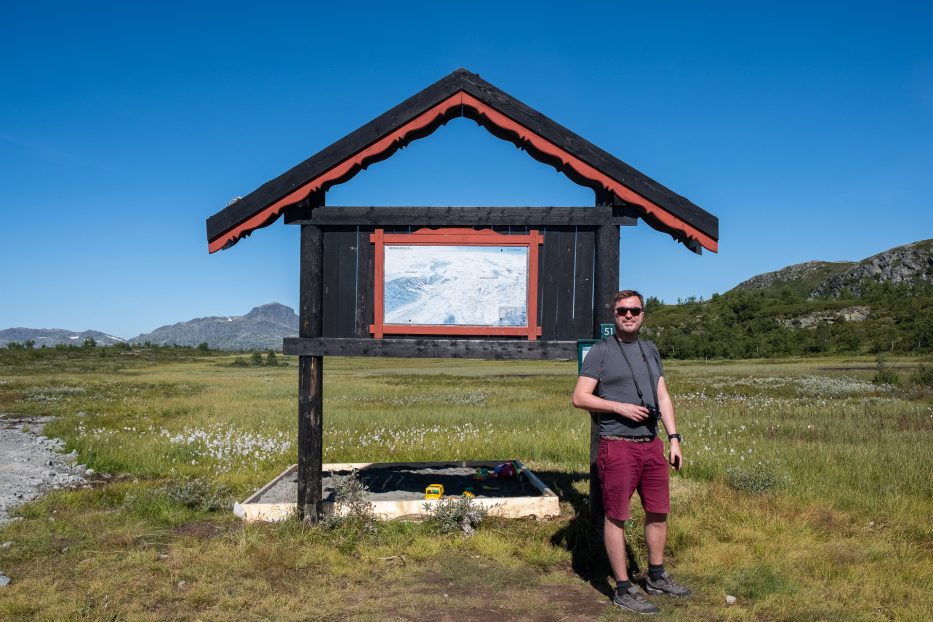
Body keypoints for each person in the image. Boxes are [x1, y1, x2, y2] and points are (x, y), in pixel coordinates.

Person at [572, 290, 690, 614]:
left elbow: (663, 397)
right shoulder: (601, 351)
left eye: (634, 310)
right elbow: (580, 397)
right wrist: (618, 407)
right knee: (617, 515)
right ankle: (623, 589)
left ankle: (656, 576)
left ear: (643, 314)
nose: (628, 314)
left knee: (658, 510)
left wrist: (674, 439)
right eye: (622, 310)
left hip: (651, 445)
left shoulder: (650, 350)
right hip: (617, 444)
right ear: (614, 314)